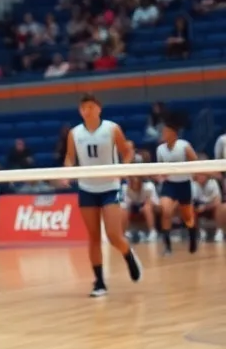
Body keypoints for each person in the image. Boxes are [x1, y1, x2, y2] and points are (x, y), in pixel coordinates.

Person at [65, 94, 142, 297]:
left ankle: (128, 255)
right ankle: (99, 282)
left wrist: (123, 168)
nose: (87, 111)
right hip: (86, 188)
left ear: (99, 109)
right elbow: (70, 158)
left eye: (91, 107)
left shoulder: (112, 128)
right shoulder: (74, 133)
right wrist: (66, 171)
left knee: (114, 235)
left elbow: (127, 152)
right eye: (83, 108)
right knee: (93, 237)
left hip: (110, 187)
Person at [156, 119, 198, 255]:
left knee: (187, 217)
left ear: (174, 133)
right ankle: (167, 246)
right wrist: (160, 176)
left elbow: (195, 161)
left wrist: (193, 174)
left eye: (166, 131)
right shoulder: (160, 149)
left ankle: (192, 237)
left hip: (184, 183)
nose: (163, 134)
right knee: (166, 211)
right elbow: (160, 167)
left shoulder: (184, 145)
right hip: (169, 184)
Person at [121, 175, 158, 243]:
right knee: (123, 209)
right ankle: (124, 233)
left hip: (149, 209)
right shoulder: (125, 188)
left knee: (147, 207)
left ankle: (153, 232)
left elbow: (157, 205)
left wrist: (148, 203)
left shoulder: (149, 187)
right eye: (131, 181)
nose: (133, 183)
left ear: (141, 181)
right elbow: (125, 205)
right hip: (133, 208)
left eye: (135, 181)